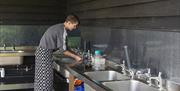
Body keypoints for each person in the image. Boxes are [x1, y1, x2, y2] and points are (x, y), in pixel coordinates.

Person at [34, 14, 82, 91]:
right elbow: (63, 50)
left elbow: (64, 46)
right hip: (44, 54)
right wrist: (76, 57)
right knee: (45, 79)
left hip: (42, 53)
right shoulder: (62, 30)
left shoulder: (59, 27)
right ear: (69, 23)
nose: (75, 28)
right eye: (74, 25)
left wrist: (74, 53)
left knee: (41, 79)